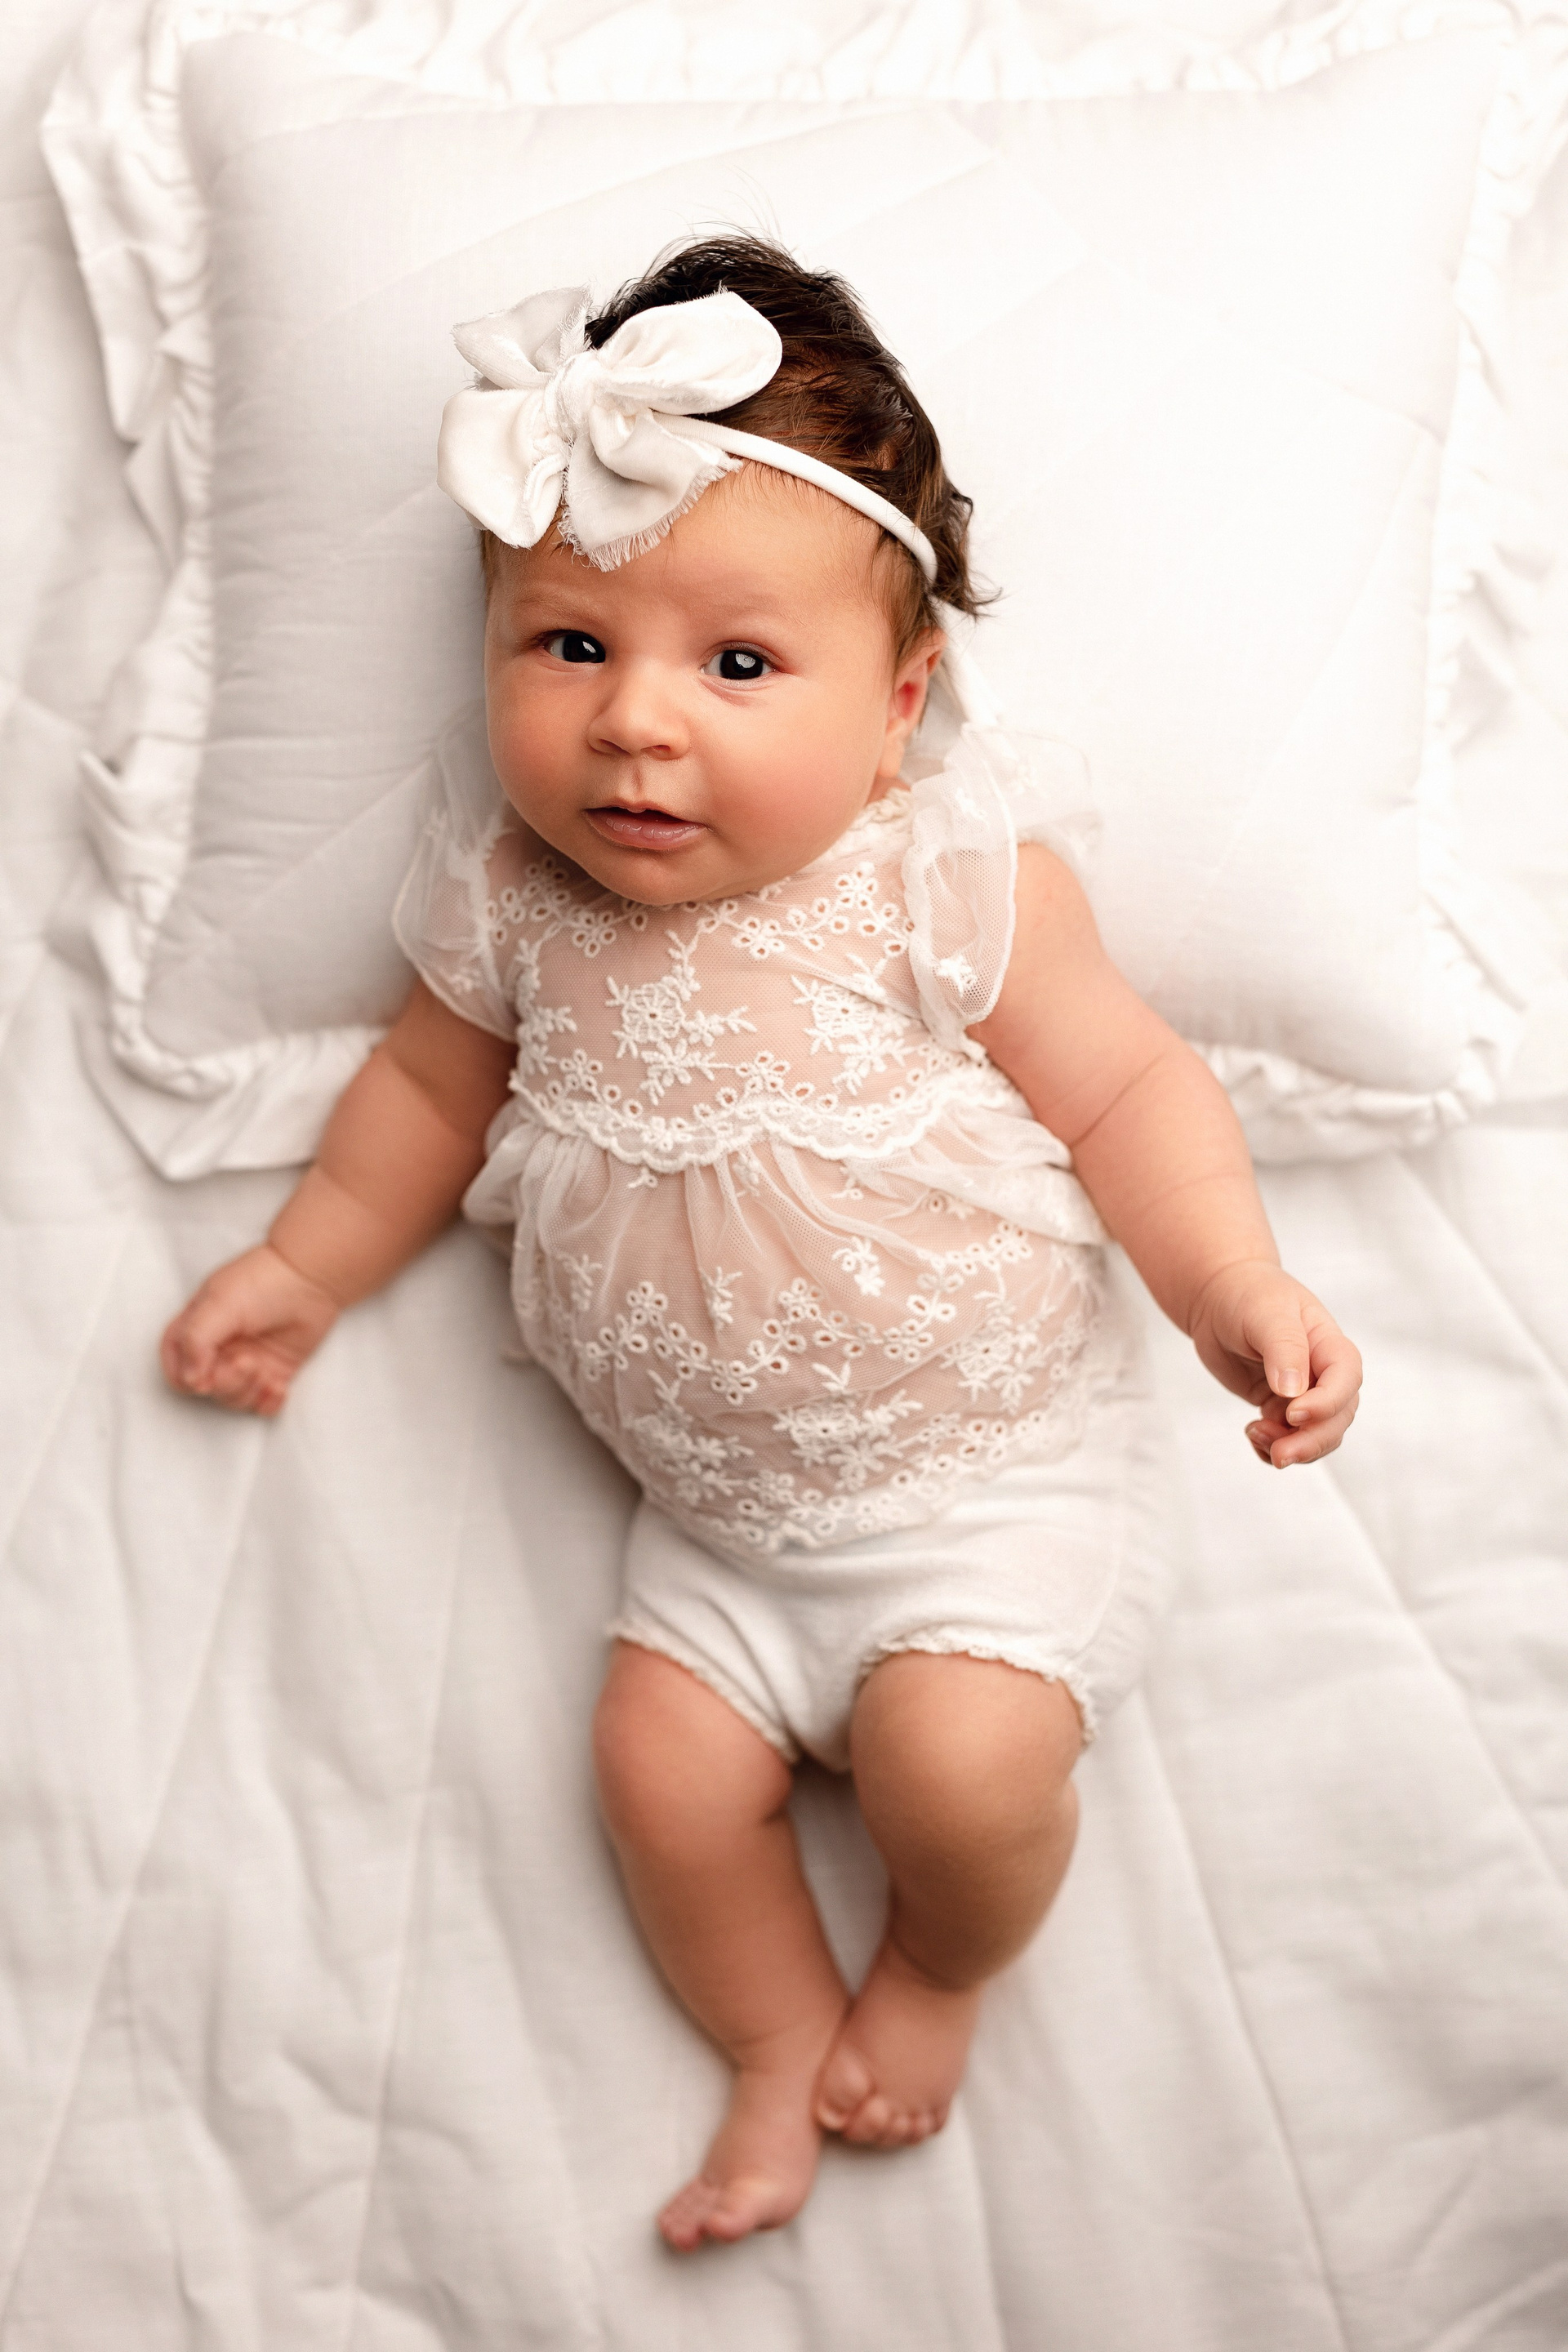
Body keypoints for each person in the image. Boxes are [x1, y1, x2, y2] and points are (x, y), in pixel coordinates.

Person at [159, 237, 1362, 2253]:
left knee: (958, 1772)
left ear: (897, 709)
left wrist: (1233, 1286)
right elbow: (418, 1109)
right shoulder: (512, 900)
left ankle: (941, 1968)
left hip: (989, 1493)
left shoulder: (940, 883)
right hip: (716, 1536)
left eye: (736, 666)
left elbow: (1133, 1096)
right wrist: (299, 1271)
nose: (636, 725)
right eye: (568, 644)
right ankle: (768, 2035)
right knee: (651, 1778)